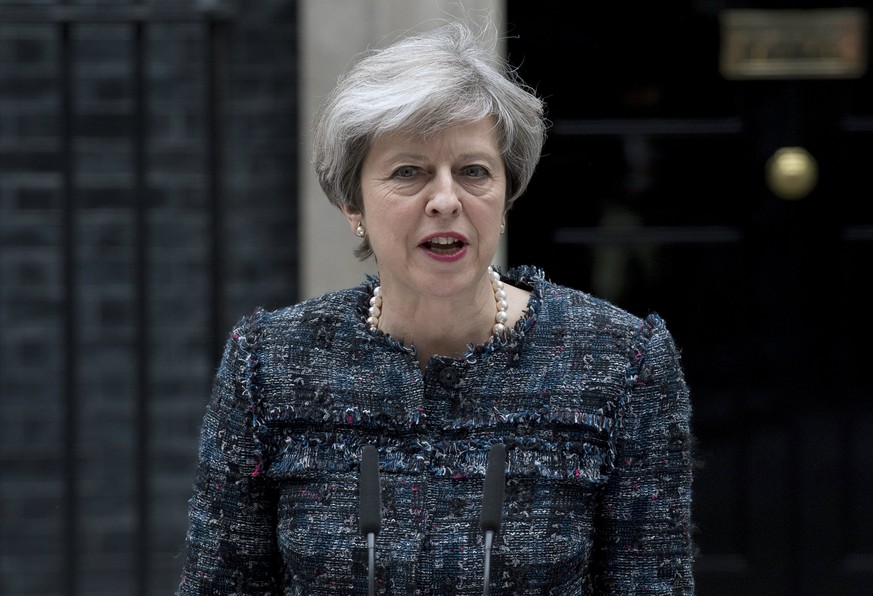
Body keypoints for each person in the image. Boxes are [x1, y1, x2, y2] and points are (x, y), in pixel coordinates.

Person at [177, 19, 695, 595]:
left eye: (473, 172)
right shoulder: (268, 366)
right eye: (409, 173)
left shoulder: (620, 363)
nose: (446, 200)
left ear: (506, 193)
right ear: (353, 203)